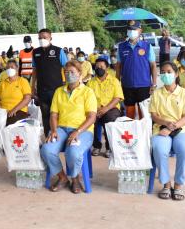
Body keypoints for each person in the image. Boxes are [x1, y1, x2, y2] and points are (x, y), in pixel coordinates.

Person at [40, 60, 97, 194]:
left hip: (83, 130)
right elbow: (53, 114)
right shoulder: (59, 91)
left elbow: (91, 117)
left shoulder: (87, 92)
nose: (69, 75)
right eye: (66, 72)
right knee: (46, 149)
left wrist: (77, 131)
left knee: (73, 151)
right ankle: (62, 177)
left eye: (72, 72)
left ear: (80, 73)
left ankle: (75, 177)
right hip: (61, 129)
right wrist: (53, 130)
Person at [150, 62, 185, 201]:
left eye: (169, 71)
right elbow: (154, 116)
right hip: (161, 128)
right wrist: (166, 124)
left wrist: (172, 128)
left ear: (176, 74)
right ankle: (166, 184)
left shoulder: (184, 93)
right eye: (163, 72)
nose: (166, 74)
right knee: (159, 149)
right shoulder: (157, 93)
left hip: (181, 129)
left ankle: (179, 185)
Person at [116, 20, 158, 120]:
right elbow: (118, 66)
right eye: (129, 29)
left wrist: (154, 83)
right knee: (129, 115)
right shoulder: (121, 47)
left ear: (140, 31)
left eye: (134, 29)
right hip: (127, 85)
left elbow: (153, 66)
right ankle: (131, 134)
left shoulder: (147, 46)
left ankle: (143, 135)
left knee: (143, 115)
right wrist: (117, 84)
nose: (131, 31)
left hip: (144, 85)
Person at [32, 28, 68, 135]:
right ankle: (49, 135)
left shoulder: (58, 51)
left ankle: (59, 135)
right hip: (42, 89)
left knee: (58, 113)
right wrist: (32, 86)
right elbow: (34, 71)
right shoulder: (35, 52)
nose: (42, 39)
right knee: (45, 114)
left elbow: (67, 68)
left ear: (50, 38)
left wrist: (67, 84)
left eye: (44, 37)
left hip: (57, 89)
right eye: (40, 38)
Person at [87, 58, 124, 158]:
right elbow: (88, 98)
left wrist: (105, 109)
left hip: (111, 108)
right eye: (97, 67)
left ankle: (109, 147)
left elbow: (117, 98)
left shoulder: (114, 81)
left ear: (107, 68)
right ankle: (96, 146)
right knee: (89, 119)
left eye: (102, 67)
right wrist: (95, 110)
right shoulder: (91, 82)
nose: (99, 68)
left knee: (110, 119)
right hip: (95, 108)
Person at [0, 60, 32, 125]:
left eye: (12, 67)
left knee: (9, 123)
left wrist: (14, 110)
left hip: (18, 111)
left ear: (17, 68)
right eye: (8, 68)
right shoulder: (3, 83)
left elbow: (27, 98)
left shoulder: (23, 81)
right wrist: (0, 109)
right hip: (3, 112)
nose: (10, 69)